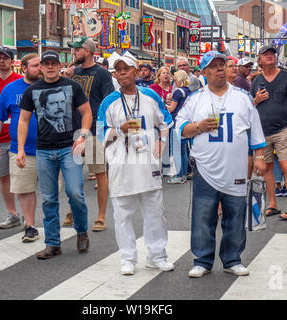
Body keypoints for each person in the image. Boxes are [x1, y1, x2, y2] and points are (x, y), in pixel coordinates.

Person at [175, 51, 267, 278]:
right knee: (203, 215)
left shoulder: (242, 97)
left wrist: (260, 157)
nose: (219, 69)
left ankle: (232, 259)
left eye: (222, 65)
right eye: (213, 66)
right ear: (204, 72)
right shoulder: (195, 98)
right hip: (205, 168)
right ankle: (202, 260)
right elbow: (179, 128)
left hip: (235, 167)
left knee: (235, 214)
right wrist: (198, 127)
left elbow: (255, 128)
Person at [97, 56, 174, 275]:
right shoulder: (108, 102)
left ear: (136, 71)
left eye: (126, 69)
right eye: (118, 70)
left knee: (155, 213)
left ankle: (157, 255)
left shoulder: (150, 96)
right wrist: (119, 129)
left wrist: (161, 142)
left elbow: (166, 122)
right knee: (122, 214)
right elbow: (100, 133)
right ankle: (127, 257)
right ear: (114, 75)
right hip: (122, 165)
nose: (122, 73)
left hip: (148, 164)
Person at [17, 50, 92, 259]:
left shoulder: (73, 86)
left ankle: (82, 231)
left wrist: (83, 136)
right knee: (49, 198)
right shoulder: (32, 91)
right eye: (46, 63)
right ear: (40, 67)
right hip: (43, 150)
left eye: (54, 63)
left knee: (75, 193)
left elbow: (86, 113)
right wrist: (21, 149)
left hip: (70, 148)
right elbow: (23, 120)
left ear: (60, 66)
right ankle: (53, 243)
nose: (50, 67)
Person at [0, 53, 43, 242]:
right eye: (36, 65)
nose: (40, 68)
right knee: (25, 189)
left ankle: (55, 226)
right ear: (25, 68)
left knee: (54, 192)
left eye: (41, 65)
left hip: (50, 148)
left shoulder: (49, 86)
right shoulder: (11, 89)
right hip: (21, 149)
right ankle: (30, 225)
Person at [68, 37, 115, 232]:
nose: (74, 53)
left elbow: (108, 101)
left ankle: (101, 216)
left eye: (77, 50)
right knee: (73, 174)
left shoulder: (102, 74)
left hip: (94, 132)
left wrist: (105, 130)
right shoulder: (73, 72)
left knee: (99, 173)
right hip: (74, 131)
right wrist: (66, 77)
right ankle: (72, 210)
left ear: (87, 51)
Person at [250, 45, 287, 220]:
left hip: (283, 129)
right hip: (262, 131)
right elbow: (250, 107)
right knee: (267, 169)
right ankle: (273, 204)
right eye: (265, 54)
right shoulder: (255, 81)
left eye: (272, 54)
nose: (270, 56)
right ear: (259, 60)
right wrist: (256, 100)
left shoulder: (286, 78)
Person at [0, 46, 23, 229]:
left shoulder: (20, 81)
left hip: (18, 139)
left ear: (11, 61)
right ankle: (13, 213)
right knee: (4, 177)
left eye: (5, 58)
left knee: (22, 176)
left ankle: (27, 214)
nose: (1, 61)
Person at [167, 70, 191, 184]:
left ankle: (179, 175)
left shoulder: (177, 92)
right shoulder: (189, 91)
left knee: (176, 150)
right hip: (185, 123)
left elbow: (171, 109)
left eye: (175, 79)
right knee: (184, 151)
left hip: (176, 122)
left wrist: (164, 104)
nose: (174, 81)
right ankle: (184, 174)